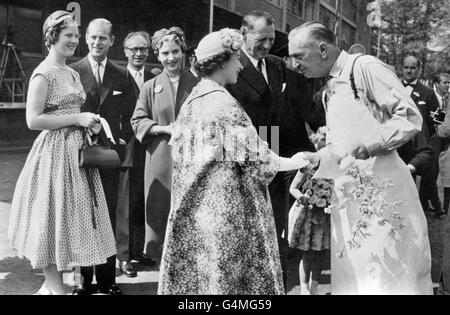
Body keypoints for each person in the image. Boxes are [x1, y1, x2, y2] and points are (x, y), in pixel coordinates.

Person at [158, 28, 309, 295]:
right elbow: (260, 160)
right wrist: (297, 161)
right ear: (221, 62)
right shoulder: (222, 104)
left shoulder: (192, 101)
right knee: (230, 286)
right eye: (236, 58)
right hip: (226, 211)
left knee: (203, 283)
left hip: (197, 210)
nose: (240, 65)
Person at [289, 21, 433, 295]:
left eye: (299, 56)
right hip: (348, 204)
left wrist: (371, 145)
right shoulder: (328, 89)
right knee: (354, 281)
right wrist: (317, 158)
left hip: (385, 200)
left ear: (322, 49)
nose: (295, 64)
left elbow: (410, 116)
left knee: (389, 280)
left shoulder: (364, 67)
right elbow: (339, 150)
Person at [8, 11, 116, 295]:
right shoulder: (43, 73)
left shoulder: (70, 72)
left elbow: (74, 113)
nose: (74, 40)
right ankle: (56, 289)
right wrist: (76, 119)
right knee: (50, 219)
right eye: (68, 35)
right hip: (53, 154)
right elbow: (33, 120)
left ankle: (52, 287)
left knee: (69, 221)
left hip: (76, 153)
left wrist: (87, 122)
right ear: (52, 36)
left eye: (76, 36)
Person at [70, 18, 138, 295]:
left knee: (108, 216)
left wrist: (120, 141)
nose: (97, 43)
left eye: (103, 38)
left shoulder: (121, 75)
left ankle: (108, 281)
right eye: (93, 37)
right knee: (82, 217)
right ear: (86, 39)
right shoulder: (72, 71)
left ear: (112, 40)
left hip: (109, 156)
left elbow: (133, 115)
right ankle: (83, 281)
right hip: (79, 155)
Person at [226, 10, 290, 288]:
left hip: (275, 159)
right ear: (243, 34)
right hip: (241, 160)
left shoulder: (277, 65)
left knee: (275, 230)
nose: (266, 46)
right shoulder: (230, 65)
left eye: (271, 40)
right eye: (261, 39)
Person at [131, 27, 199, 264]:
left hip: (192, 156)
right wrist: (163, 128)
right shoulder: (150, 86)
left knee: (191, 209)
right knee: (160, 209)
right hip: (160, 156)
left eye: (176, 51)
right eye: (165, 53)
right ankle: (160, 262)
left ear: (183, 51)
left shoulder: (198, 84)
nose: (171, 58)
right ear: (157, 55)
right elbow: (137, 120)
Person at [114, 31, 156, 278]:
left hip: (149, 148)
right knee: (126, 204)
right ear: (125, 52)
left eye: (143, 49)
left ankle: (138, 250)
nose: (139, 54)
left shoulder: (154, 77)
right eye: (134, 49)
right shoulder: (118, 76)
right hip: (126, 147)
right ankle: (123, 255)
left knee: (143, 201)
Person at [288, 127, 331, 296]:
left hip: (325, 213)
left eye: (329, 139)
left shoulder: (335, 162)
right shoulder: (309, 163)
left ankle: (315, 285)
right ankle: (304, 287)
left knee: (321, 251)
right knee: (308, 252)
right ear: (314, 141)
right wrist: (301, 197)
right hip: (309, 213)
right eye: (323, 138)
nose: (326, 142)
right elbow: (293, 188)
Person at [402, 56, 442, 216]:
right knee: (404, 182)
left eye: (412, 68)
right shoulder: (394, 88)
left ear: (418, 70)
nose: (409, 71)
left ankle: (424, 210)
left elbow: (438, 119)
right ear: (402, 68)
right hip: (400, 147)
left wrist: (424, 135)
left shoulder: (428, 92)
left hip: (421, 147)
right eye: (406, 67)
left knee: (428, 180)